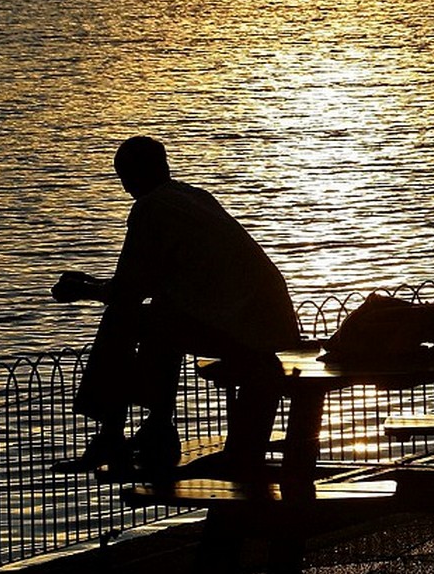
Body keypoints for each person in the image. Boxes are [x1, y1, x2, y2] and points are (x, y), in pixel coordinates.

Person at [51, 135, 299, 474]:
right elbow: (150, 283)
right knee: (160, 323)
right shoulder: (194, 198)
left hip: (245, 326)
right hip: (266, 320)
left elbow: (128, 292)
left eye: (124, 176)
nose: (124, 187)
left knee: (122, 319)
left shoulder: (150, 208)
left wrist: (82, 290)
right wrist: (92, 284)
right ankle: (157, 426)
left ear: (137, 174)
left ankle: (112, 432)